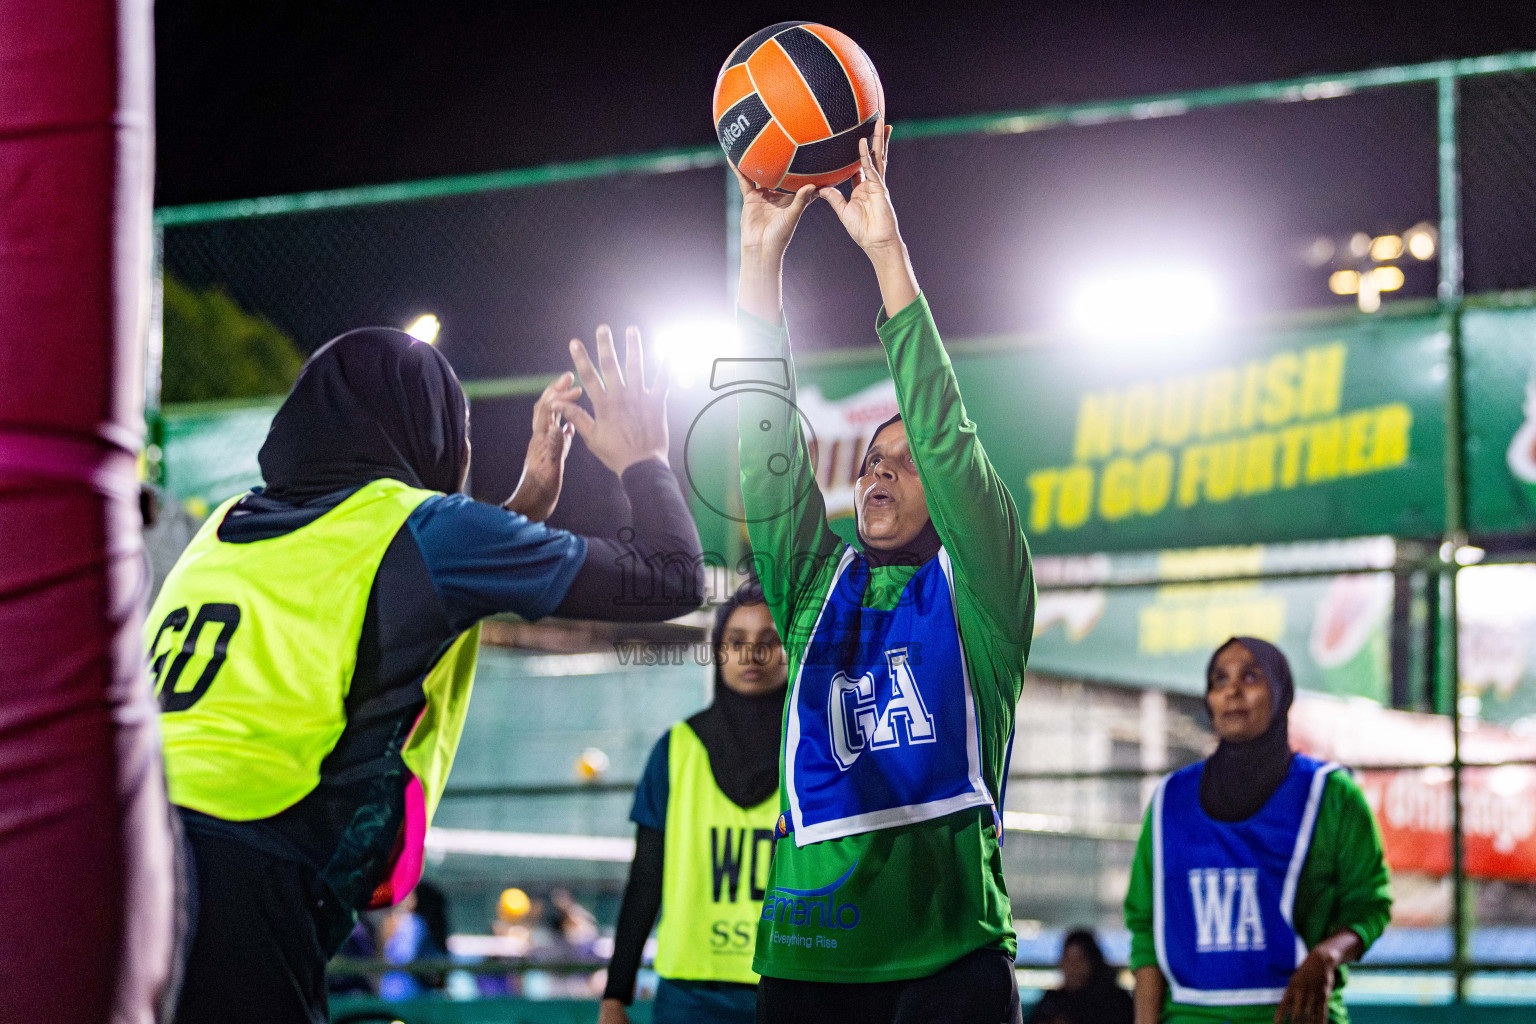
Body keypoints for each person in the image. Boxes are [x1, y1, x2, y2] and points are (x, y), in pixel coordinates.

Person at [147, 323, 703, 1024]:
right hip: (248, 864)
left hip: (124, 838)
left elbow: (387, 583)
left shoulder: (223, 525)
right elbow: (672, 578)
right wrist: (644, 459)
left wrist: (524, 505)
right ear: (429, 435)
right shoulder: (429, 528)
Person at [733, 119, 1035, 1024]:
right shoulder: (814, 592)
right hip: (810, 954)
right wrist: (758, 265)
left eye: (906, 463)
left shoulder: (983, 595)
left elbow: (946, 431)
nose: (879, 471)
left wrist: (885, 252)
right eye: (869, 460)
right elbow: (765, 446)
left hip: (948, 954)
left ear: (949, 494)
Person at [1124, 637, 1392, 1024]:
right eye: (1220, 679)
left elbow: (1370, 904)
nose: (1232, 690)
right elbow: (1146, 928)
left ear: (1281, 693)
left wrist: (1326, 956)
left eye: (1250, 677)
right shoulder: (1169, 800)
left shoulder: (1331, 794)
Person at [599, 582, 789, 1024]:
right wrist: (615, 993)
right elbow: (646, 876)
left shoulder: (817, 751)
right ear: (718, 650)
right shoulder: (676, 750)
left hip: (789, 986)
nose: (751, 654)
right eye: (735, 641)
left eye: (770, 640)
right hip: (689, 996)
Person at [1026, 930, 1133, 1024]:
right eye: (1068, 960)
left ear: (1093, 962)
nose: (1072, 967)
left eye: (1080, 960)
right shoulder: (1052, 1000)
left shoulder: (1116, 1002)